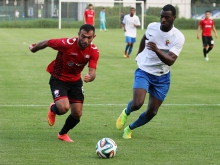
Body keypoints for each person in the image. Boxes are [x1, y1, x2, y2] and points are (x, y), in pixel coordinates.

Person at [116, 4, 185, 139]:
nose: (163, 20)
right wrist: (139, 54)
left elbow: (170, 61)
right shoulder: (152, 27)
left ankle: (130, 128)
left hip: (162, 77)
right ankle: (126, 112)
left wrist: (157, 50)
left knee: (152, 112)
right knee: (137, 103)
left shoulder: (178, 37)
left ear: (174, 18)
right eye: (162, 16)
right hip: (145, 71)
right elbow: (144, 38)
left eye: (167, 17)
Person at [29, 24, 99, 142]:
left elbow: (92, 72)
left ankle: (62, 134)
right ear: (78, 34)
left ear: (93, 37)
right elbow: (47, 42)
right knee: (63, 108)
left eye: (89, 37)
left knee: (77, 114)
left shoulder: (94, 51)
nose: (85, 40)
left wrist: (90, 77)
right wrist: (33, 49)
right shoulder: (67, 44)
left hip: (76, 81)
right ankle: (53, 108)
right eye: (83, 36)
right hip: (58, 79)